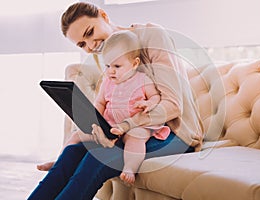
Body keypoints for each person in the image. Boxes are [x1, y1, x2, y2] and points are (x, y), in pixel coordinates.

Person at [28, 2, 203, 199]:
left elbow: (172, 106)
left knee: (97, 157)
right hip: (125, 130)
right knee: (71, 155)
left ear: (103, 15)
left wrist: (124, 126)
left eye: (90, 32)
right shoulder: (105, 54)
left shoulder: (152, 36)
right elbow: (107, 103)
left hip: (173, 133)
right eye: (82, 44)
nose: (91, 45)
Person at [37, 30, 171, 184]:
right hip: (110, 124)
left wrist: (148, 103)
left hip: (135, 124)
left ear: (134, 64)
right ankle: (60, 161)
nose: (111, 70)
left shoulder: (143, 80)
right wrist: (94, 120)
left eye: (117, 66)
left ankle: (130, 167)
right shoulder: (108, 82)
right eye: (107, 65)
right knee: (76, 135)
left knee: (136, 139)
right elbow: (100, 102)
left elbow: (156, 97)